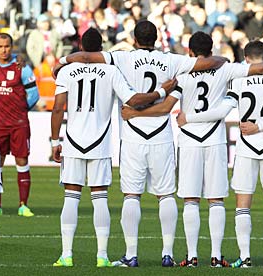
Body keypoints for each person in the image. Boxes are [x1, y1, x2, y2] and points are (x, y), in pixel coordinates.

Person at [55, 20, 227, 267]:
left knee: (131, 196)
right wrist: (222, 60)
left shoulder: (122, 58)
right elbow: (209, 62)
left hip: (133, 134)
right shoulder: (172, 60)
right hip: (161, 134)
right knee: (165, 195)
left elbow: (85, 56)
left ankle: (131, 255)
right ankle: (167, 253)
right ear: (156, 39)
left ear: (134, 39)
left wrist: (60, 63)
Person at [121, 32, 263, 267]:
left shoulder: (184, 71)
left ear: (190, 52)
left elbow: (165, 107)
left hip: (189, 140)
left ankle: (191, 256)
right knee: (216, 200)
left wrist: (135, 113)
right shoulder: (226, 69)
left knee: (191, 199)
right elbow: (258, 70)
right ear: (212, 50)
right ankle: (217, 257)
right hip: (215, 139)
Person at [51, 27, 177, 268]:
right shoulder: (111, 70)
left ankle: (66, 255)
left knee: (71, 197)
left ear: (80, 47)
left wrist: (55, 141)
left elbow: (57, 108)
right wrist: (163, 90)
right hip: (100, 143)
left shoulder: (66, 71)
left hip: (73, 141)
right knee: (100, 199)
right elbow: (134, 100)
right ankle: (102, 256)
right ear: (102, 49)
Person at [177, 40, 263, 268]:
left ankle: (245, 258)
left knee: (242, 204)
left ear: (246, 59)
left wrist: (189, 117)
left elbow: (221, 111)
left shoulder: (238, 79)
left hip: (246, 147)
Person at [0, 33, 39, 217]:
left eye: (7, 46)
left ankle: (24, 205)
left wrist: (21, 111)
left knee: (21, 161)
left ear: (12, 46)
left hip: (18, 125)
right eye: (0, 46)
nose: (4, 50)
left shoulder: (21, 68)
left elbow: (34, 95)